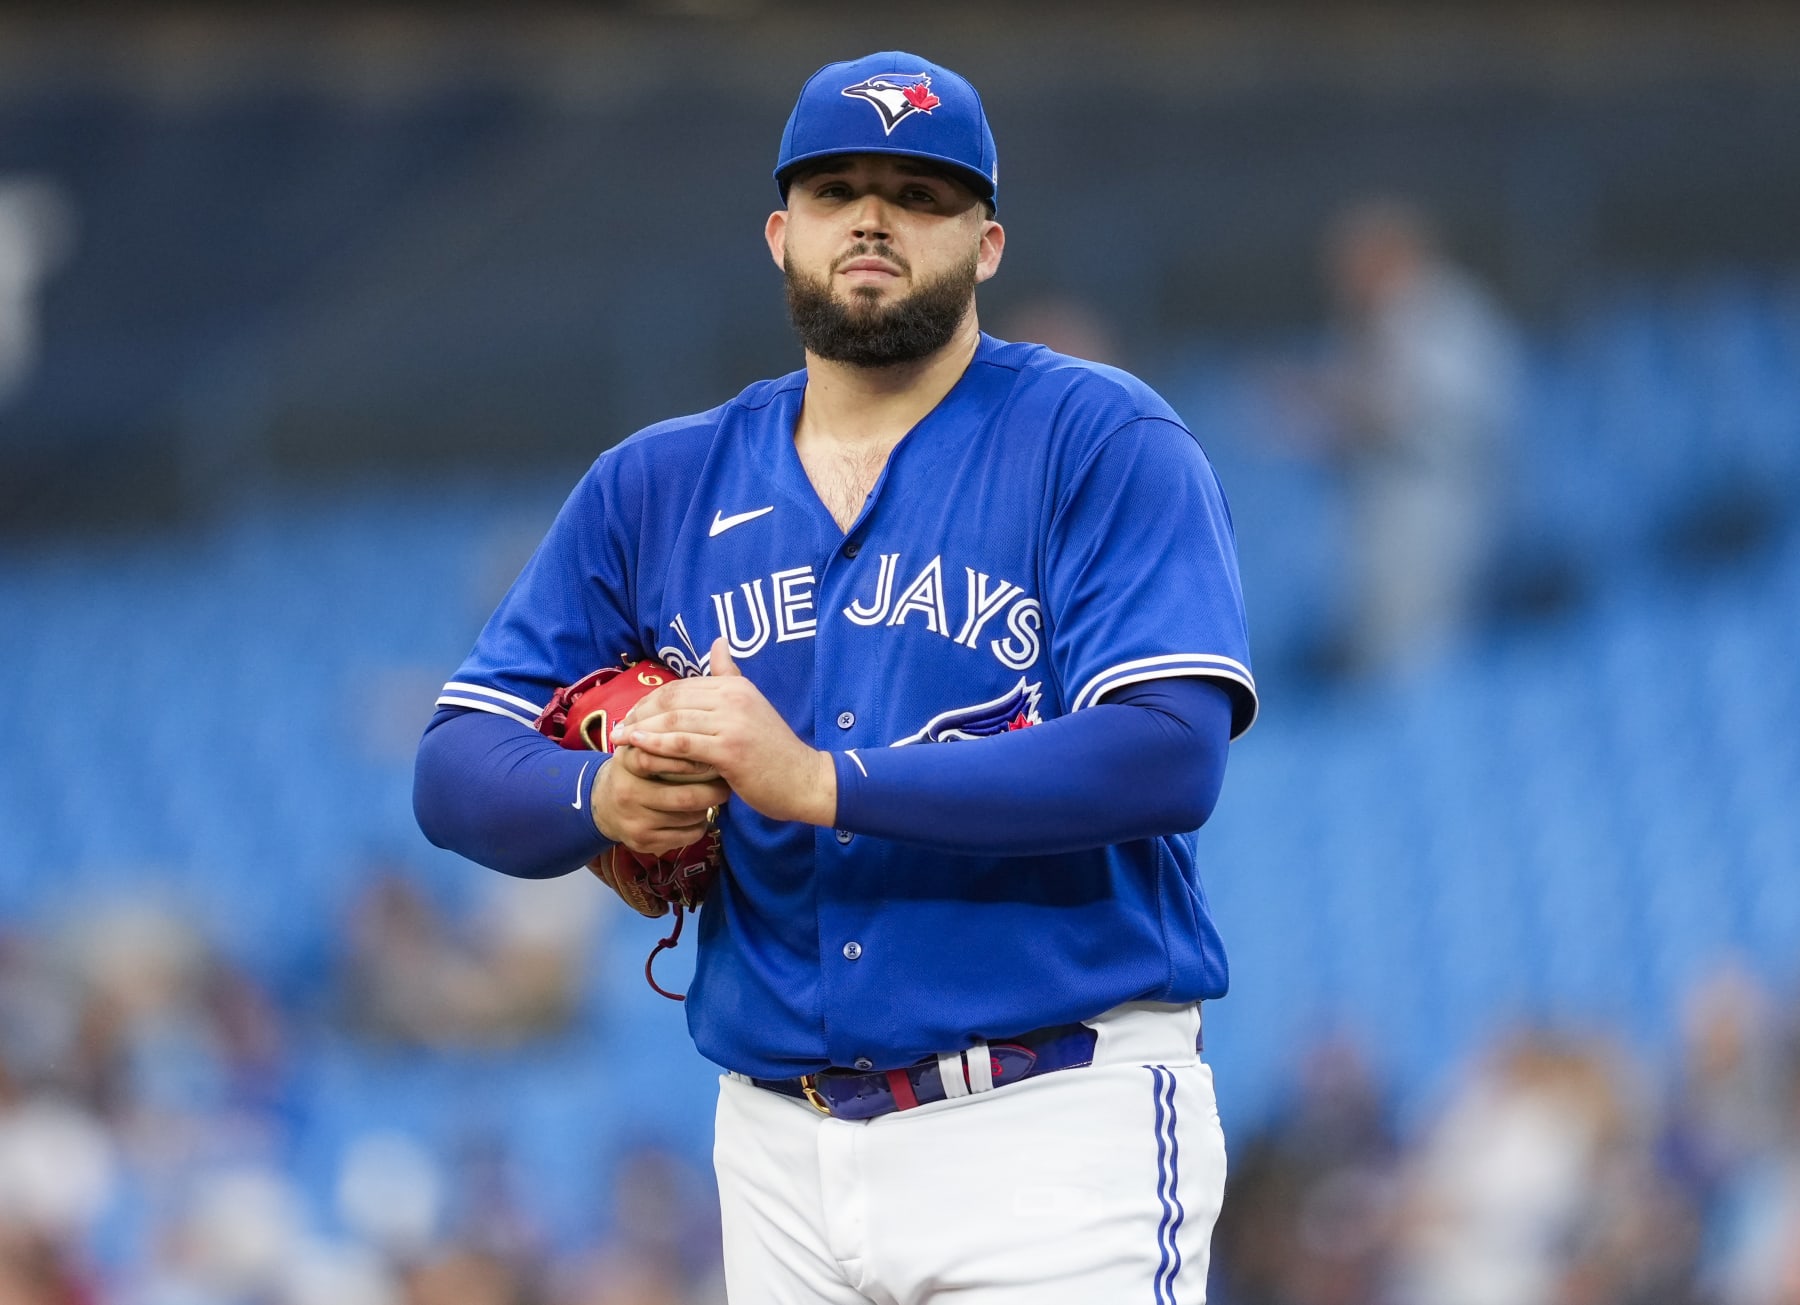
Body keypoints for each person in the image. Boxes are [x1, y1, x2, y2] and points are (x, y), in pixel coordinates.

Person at [414, 50, 1257, 1304]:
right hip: (775, 1148)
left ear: (987, 243)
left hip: (1050, 1124)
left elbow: (1168, 751)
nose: (872, 218)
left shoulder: (1100, 437)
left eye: (919, 194)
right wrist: (598, 802)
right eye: (836, 189)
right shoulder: (657, 484)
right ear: (780, 233)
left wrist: (822, 782)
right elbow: (454, 764)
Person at [1299, 198, 1521, 680]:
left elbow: (1415, 415)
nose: (1343, 277)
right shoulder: (1376, 323)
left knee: (1424, 663)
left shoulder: (1442, 312)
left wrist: (1325, 400)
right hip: (1390, 509)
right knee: (1386, 659)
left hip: (1436, 506)